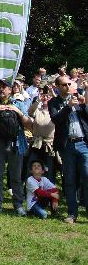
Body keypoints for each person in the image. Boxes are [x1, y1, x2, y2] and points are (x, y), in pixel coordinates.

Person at [0, 76, 32, 216]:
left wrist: (19, 112)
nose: (1, 89)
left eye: (4, 87)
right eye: (0, 86)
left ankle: (18, 205)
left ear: (10, 89)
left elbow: (28, 124)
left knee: (15, 176)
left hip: (16, 142)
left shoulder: (19, 103)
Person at [48, 74, 88, 224]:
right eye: (64, 85)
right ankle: (72, 213)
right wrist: (69, 106)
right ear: (58, 87)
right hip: (67, 146)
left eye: (69, 83)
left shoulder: (79, 98)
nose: (67, 86)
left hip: (83, 143)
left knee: (87, 176)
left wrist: (83, 104)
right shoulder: (54, 102)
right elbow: (56, 119)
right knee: (70, 180)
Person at [28, 83, 56, 180]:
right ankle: (33, 190)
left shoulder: (54, 110)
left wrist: (52, 93)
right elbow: (30, 112)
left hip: (49, 144)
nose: (45, 98)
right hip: (36, 144)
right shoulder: (37, 110)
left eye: (48, 96)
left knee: (49, 170)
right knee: (33, 168)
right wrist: (38, 100)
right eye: (44, 96)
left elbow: (61, 105)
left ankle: (50, 192)